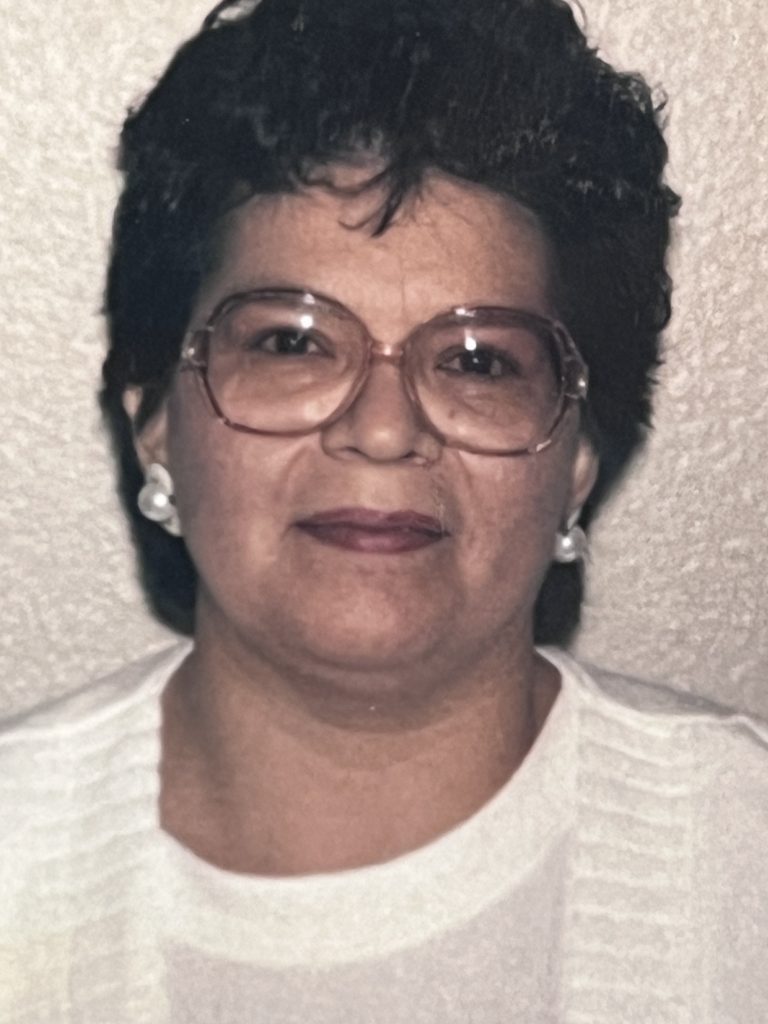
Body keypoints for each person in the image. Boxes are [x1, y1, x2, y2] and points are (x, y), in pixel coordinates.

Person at [2, 0, 766, 1020]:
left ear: (579, 456)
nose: (384, 427)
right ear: (153, 420)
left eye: (478, 361)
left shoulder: (741, 858)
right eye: (292, 342)